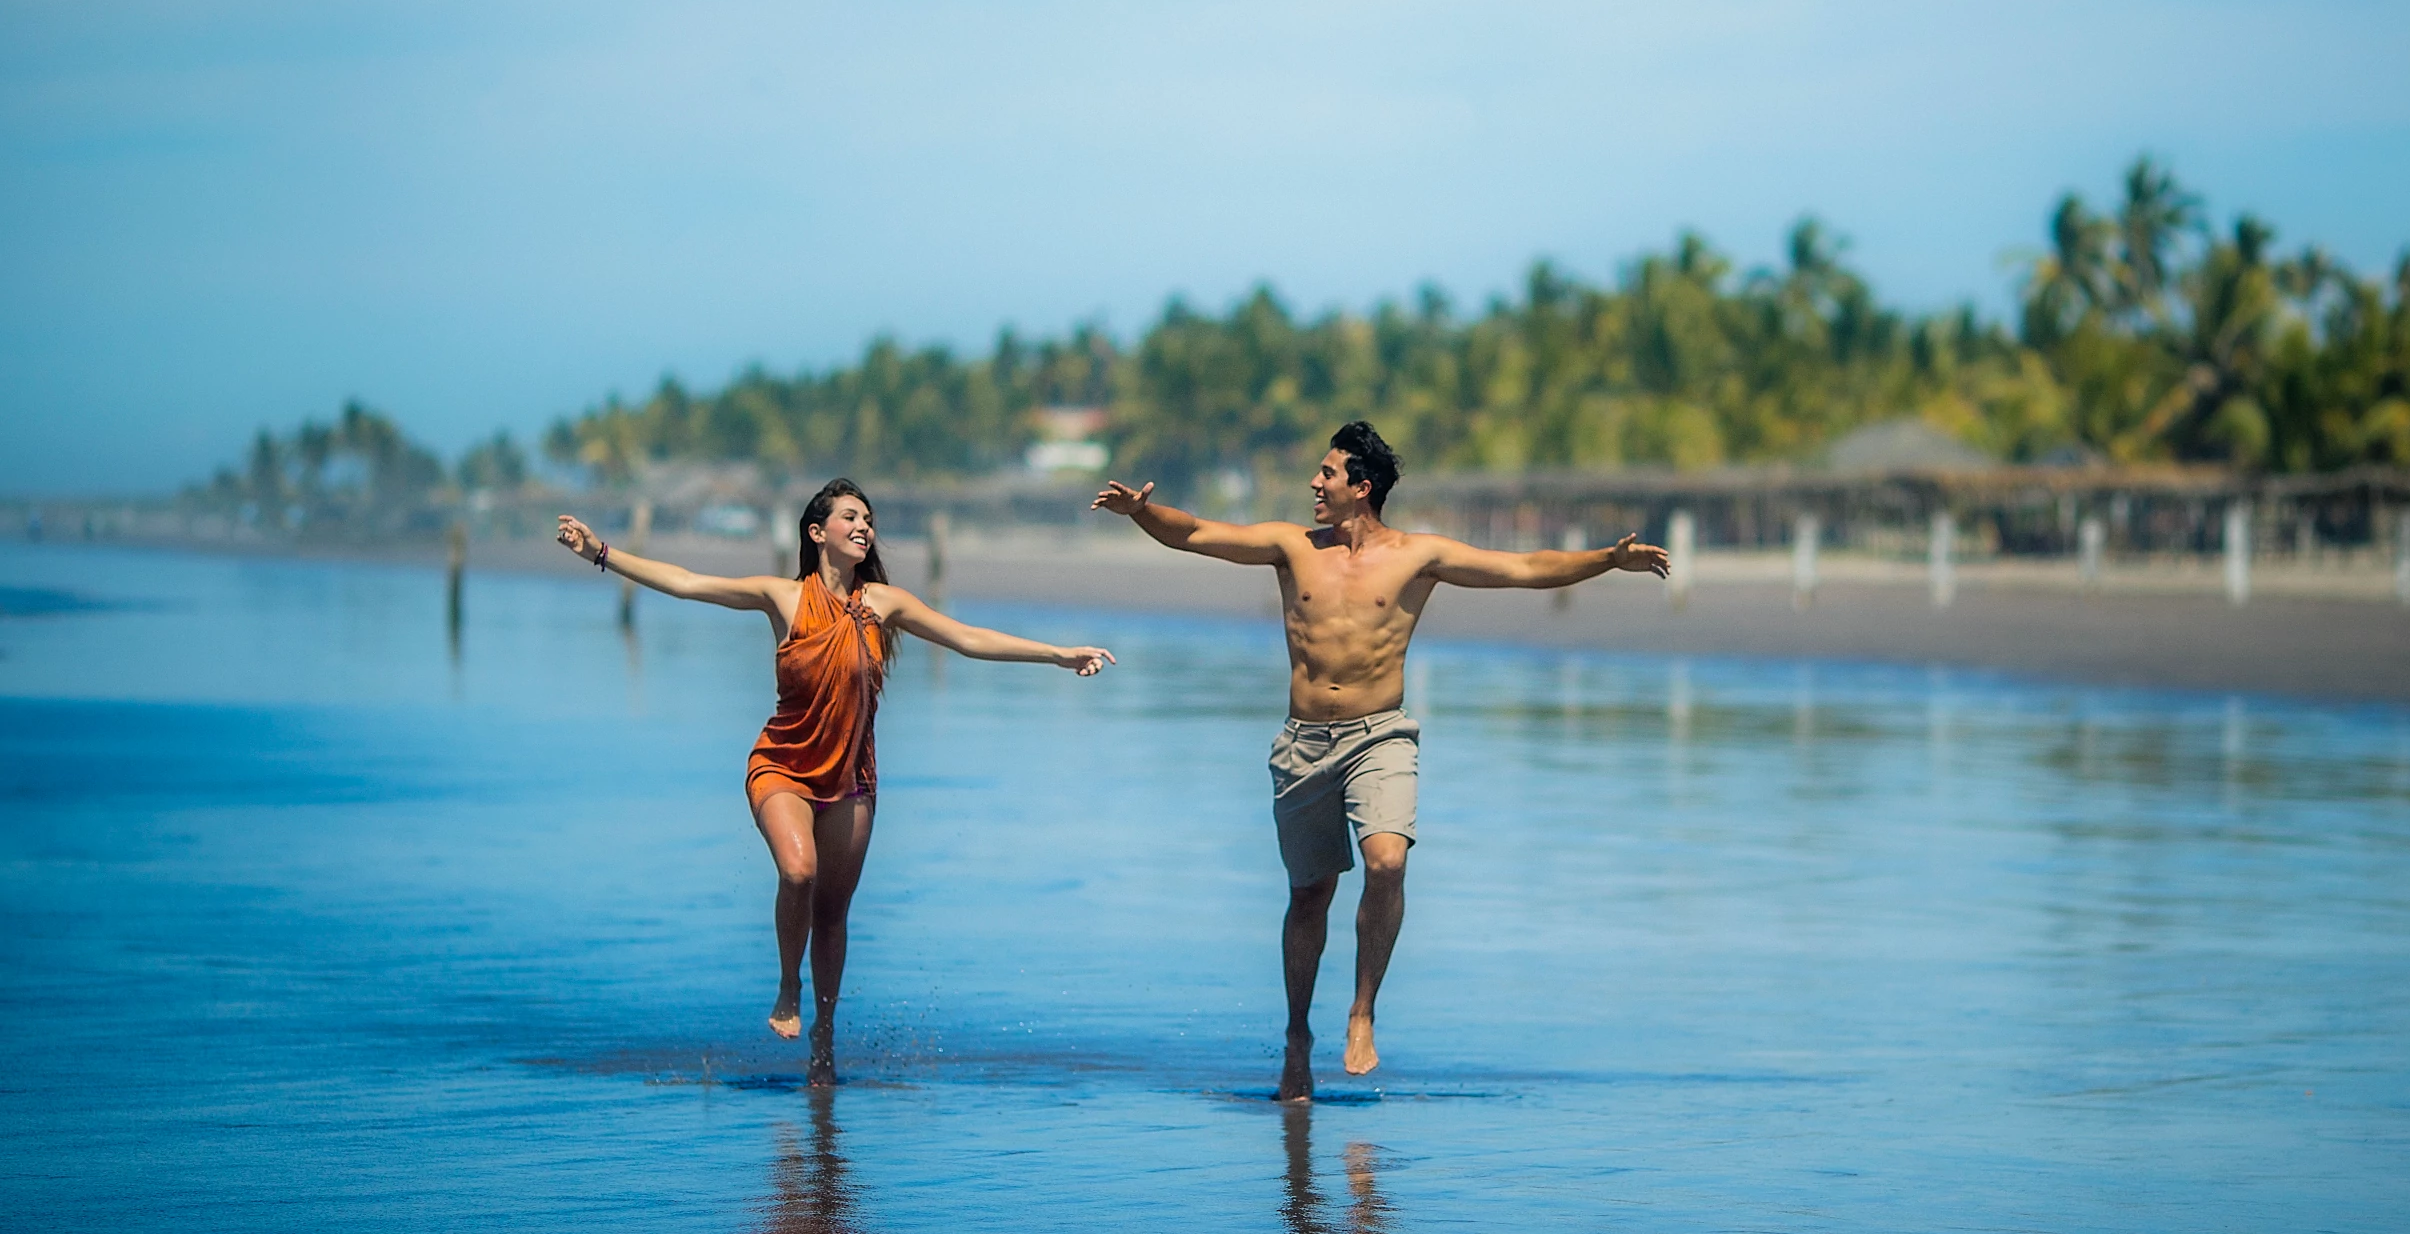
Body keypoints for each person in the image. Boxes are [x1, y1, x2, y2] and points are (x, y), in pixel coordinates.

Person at [1093, 422, 1668, 1101]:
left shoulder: (1416, 556)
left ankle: (1362, 1011)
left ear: (1361, 489)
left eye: (1328, 474)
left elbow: (1521, 568)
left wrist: (1606, 558)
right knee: (1310, 896)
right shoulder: (1290, 546)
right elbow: (1193, 533)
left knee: (1387, 861)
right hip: (1304, 743)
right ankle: (1298, 1036)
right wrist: (1141, 514)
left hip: (1380, 736)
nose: (1314, 482)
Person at [556, 478, 1114, 1085]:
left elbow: (967, 638)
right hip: (783, 766)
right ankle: (788, 986)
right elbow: (690, 584)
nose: (864, 526)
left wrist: (1057, 654)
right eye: (851, 516)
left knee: (833, 913)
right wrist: (600, 552)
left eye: (869, 518)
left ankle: (825, 1037)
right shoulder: (784, 598)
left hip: (851, 776)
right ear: (818, 532)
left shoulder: (884, 604)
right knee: (799, 871)